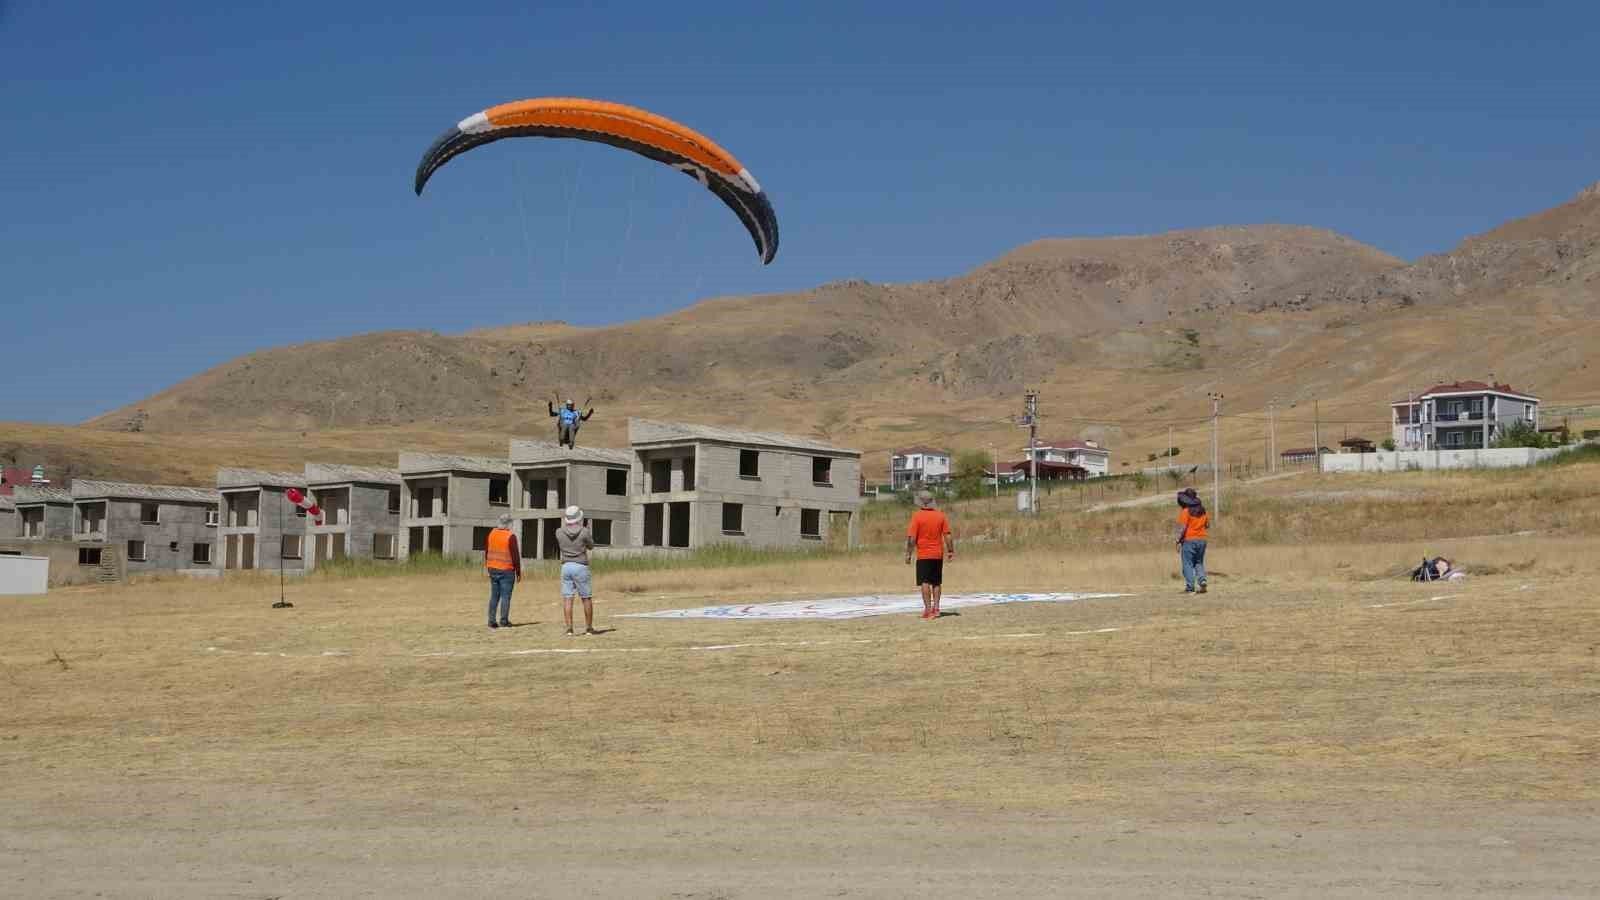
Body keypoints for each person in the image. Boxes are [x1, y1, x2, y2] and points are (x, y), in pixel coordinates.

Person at [904, 489, 954, 619]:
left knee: (925, 582)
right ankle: (936, 608)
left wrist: (909, 553)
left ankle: (927, 609)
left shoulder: (917, 516)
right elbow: (947, 535)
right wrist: (950, 550)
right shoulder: (940, 515)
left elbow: (912, 538)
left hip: (924, 555)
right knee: (936, 582)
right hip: (937, 554)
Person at [555, 504, 598, 636]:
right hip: (580, 566)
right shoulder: (584, 531)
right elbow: (591, 546)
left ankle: (569, 628)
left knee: (568, 598)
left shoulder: (559, 531)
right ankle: (589, 628)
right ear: (579, 517)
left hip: (566, 566)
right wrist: (587, 534)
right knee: (586, 598)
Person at [484, 513, 522, 628]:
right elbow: (515, 556)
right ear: (509, 523)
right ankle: (504, 620)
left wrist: (488, 566)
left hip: (492, 568)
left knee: (494, 596)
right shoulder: (510, 536)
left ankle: (491, 621)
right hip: (506, 570)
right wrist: (518, 572)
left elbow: (487, 551)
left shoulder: (491, 533)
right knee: (505, 596)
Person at [1174, 487, 1209, 594]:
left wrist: (1177, 540)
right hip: (1202, 539)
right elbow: (1207, 525)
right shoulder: (1203, 511)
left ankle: (1190, 587)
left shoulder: (1185, 512)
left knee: (1187, 564)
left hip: (1189, 540)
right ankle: (1202, 580)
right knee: (1199, 562)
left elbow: (1182, 528)